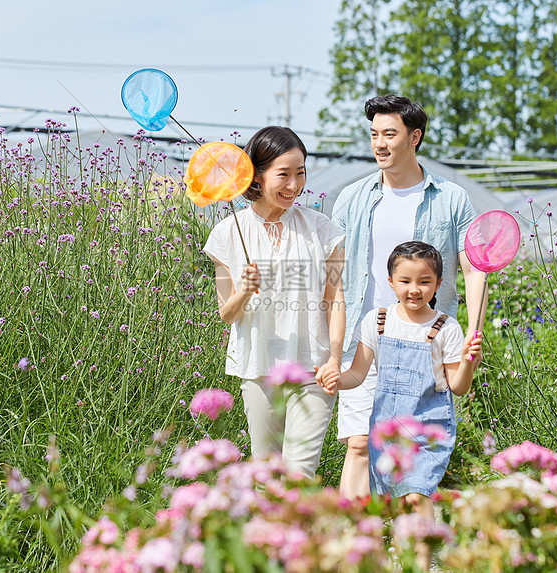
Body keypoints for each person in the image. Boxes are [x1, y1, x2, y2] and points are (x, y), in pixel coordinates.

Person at [330, 94, 486, 499]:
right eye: (374, 135)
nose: (380, 144)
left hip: (425, 344)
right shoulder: (352, 198)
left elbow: (473, 266)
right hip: (365, 339)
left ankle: (406, 540)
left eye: (390, 134)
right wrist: (330, 344)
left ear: (414, 137)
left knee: (413, 453)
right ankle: (353, 547)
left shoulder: (451, 199)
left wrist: (473, 331)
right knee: (360, 444)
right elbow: (333, 271)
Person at [319, 241, 482, 569]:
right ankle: (385, 558)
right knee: (391, 502)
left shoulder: (446, 328)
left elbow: (458, 388)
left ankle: (421, 563)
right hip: (386, 428)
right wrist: (336, 377)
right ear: (390, 281)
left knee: (416, 493)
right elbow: (357, 374)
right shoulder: (377, 320)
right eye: (405, 281)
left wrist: (468, 361)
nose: (414, 289)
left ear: (438, 284)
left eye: (424, 281)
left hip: (427, 428)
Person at [203, 126, 345, 479]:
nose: (294, 186)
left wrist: (335, 359)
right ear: (257, 173)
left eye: (301, 174)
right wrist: (245, 290)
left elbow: (335, 298)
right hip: (258, 366)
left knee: (299, 475)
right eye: (284, 174)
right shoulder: (226, 234)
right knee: (267, 477)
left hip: (313, 369)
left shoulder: (322, 230)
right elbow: (227, 313)